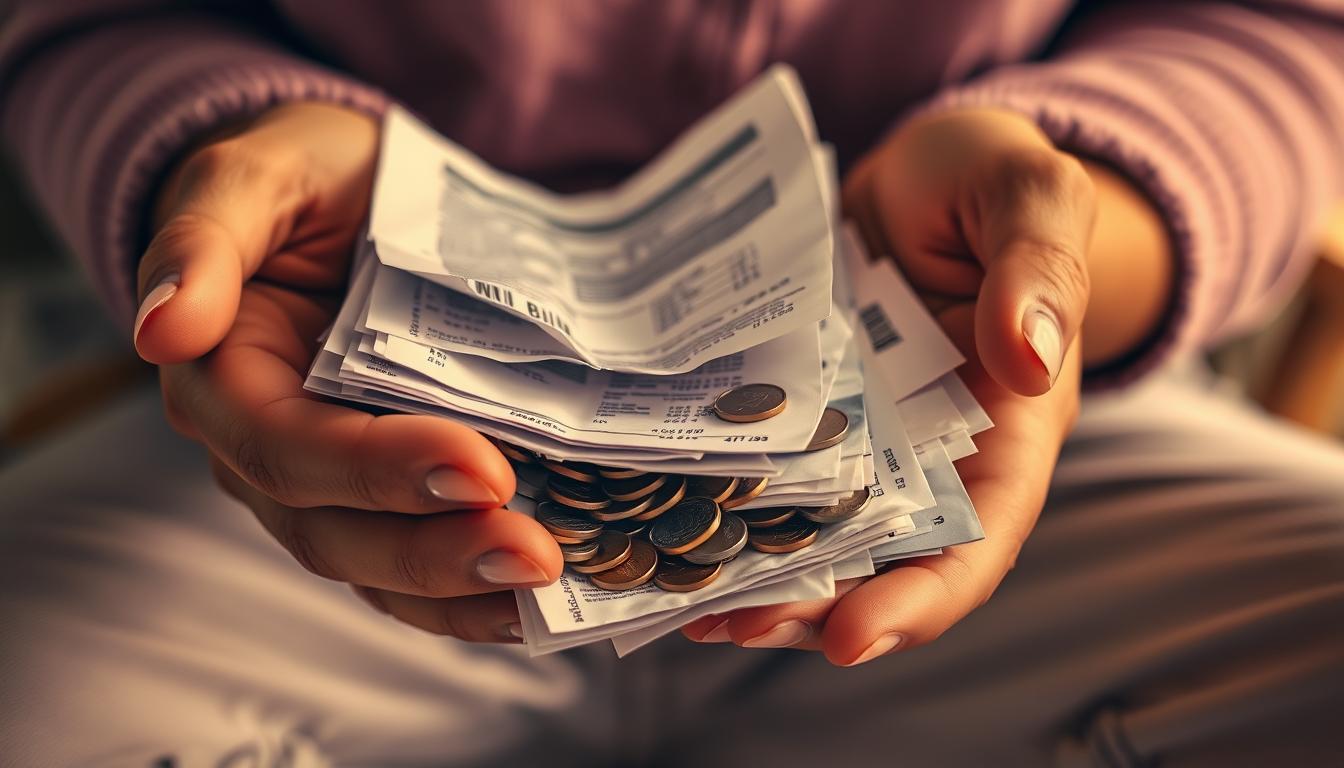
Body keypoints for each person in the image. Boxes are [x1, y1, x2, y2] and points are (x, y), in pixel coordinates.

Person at [2, 1, 1342, 765]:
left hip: (1003, 434)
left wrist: (1078, 225)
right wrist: (216, 147)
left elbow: (1288, 35)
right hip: (309, 443)